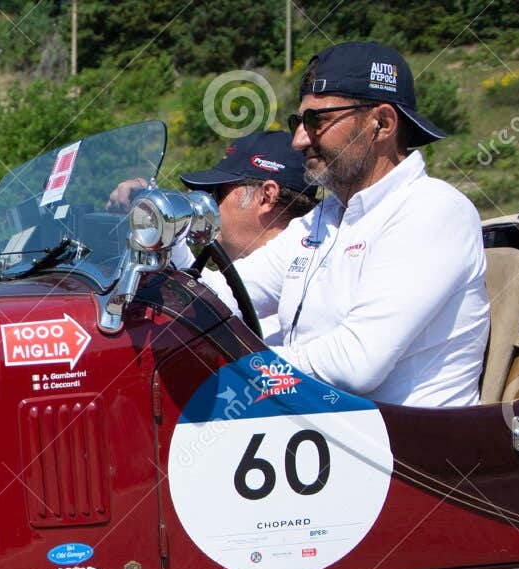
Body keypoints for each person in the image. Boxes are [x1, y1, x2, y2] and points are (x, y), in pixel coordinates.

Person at [233, 41, 489, 407]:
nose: (298, 140)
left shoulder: (433, 210)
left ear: (381, 124)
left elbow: (357, 362)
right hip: (326, 430)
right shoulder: (323, 218)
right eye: (298, 121)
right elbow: (230, 289)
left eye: (316, 120)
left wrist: (233, 367)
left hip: (413, 453)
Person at [177, 130, 316, 340]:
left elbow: (205, 299)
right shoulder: (302, 262)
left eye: (218, 193)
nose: (211, 205)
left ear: (266, 197)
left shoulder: (290, 309)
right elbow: (206, 289)